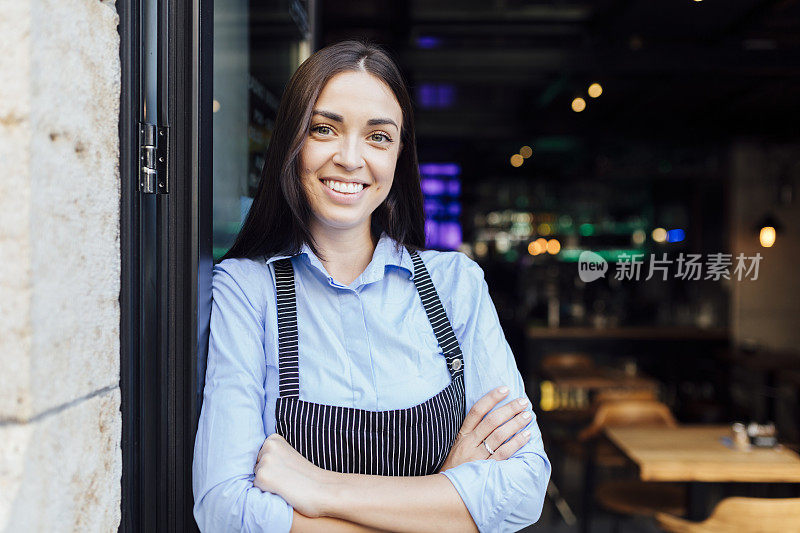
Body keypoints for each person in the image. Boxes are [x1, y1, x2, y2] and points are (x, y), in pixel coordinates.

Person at [192, 39, 551, 533]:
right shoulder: (247, 289)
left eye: (379, 137)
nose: (350, 157)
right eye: (324, 129)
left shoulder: (456, 286)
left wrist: (319, 488)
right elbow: (225, 509)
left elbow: (525, 488)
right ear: (292, 143)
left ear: (400, 156)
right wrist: (445, 492)